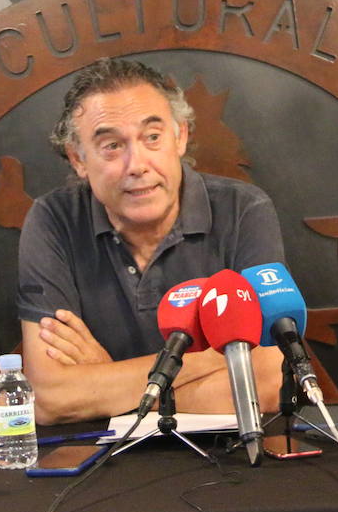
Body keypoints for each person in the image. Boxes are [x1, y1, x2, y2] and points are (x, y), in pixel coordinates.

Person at [16, 57, 286, 423]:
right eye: (112, 145)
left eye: (152, 137)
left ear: (181, 136)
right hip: (103, 465)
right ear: (78, 158)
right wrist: (212, 358)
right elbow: (48, 397)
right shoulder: (53, 220)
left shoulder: (243, 210)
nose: (137, 164)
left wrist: (106, 379)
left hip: (230, 459)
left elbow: (268, 382)